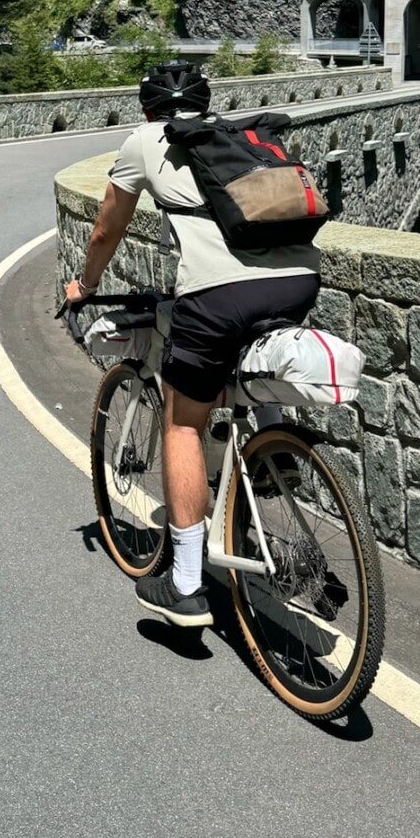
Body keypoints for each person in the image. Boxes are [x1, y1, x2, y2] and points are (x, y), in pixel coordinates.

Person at [64, 60, 321, 629]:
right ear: (204, 103)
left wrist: (85, 284)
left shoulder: (144, 140)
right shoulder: (235, 136)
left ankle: (183, 585)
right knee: (245, 350)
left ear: (147, 109)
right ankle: (272, 445)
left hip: (221, 294)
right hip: (301, 278)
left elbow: (108, 225)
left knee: (183, 422)